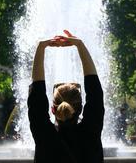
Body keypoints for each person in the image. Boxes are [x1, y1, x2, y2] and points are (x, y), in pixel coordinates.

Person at [28, 30, 104, 163]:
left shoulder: (44, 135)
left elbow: (37, 96)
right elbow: (95, 93)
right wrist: (80, 45)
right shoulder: (90, 132)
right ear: (80, 108)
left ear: (53, 109)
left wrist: (41, 47)